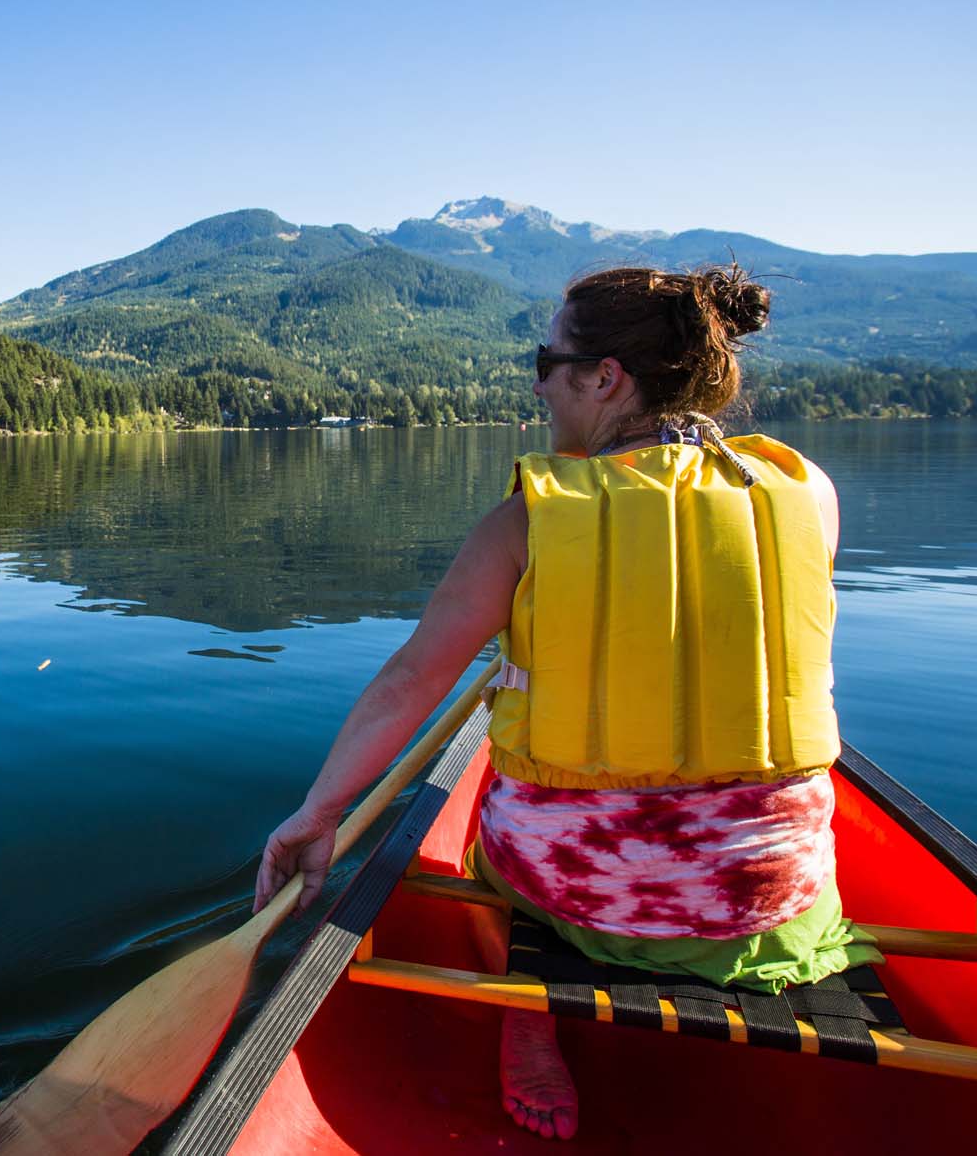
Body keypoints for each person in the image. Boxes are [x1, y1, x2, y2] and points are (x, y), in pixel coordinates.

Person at [252, 263, 873, 1141]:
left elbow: (411, 682)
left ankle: (530, 1012)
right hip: (767, 900)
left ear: (604, 377)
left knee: (490, 824)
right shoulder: (808, 495)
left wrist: (318, 814)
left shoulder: (527, 521)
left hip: (574, 898)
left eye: (546, 359)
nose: (538, 382)